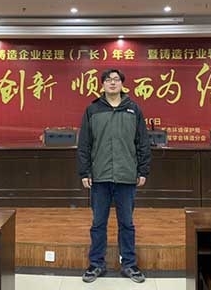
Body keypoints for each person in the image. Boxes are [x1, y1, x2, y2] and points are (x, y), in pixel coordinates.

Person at [77, 68, 151, 283]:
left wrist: (143, 170)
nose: (112, 83)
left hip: (126, 175)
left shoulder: (133, 109)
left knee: (126, 223)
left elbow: (143, 142)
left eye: (116, 79)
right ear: (102, 84)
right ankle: (96, 264)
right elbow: (84, 144)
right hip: (99, 176)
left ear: (122, 84)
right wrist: (84, 171)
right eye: (108, 80)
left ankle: (129, 264)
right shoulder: (92, 110)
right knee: (98, 223)